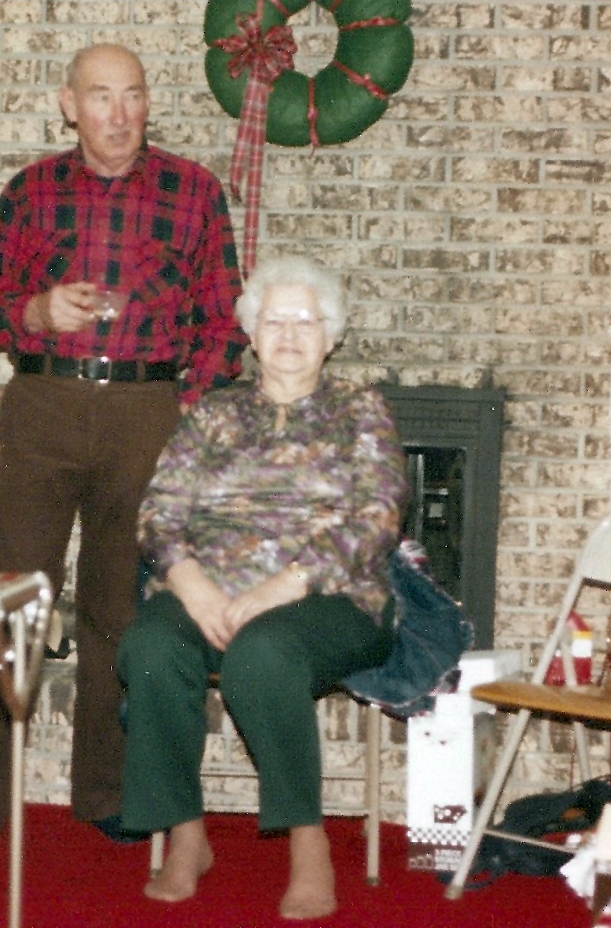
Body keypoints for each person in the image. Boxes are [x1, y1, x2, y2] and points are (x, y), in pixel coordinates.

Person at [0, 43, 246, 858]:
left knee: (117, 612)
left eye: (132, 95)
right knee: (10, 602)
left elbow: (223, 326)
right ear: (69, 104)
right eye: (100, 97)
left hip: (146, 409)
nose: (119, 114)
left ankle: (104, 790)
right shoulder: (31, 191)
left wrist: (182, 407)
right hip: (44, 404)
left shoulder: (194, 191)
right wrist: (37, 312)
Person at [118, 256, 408, 920]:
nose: (288, 334)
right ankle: (185, 835)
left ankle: (308, 843)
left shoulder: (359, 409)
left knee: (263, 653)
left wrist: (279, 588)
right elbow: (160, 511)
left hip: (329, 598)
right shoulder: (213, 415)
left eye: (305, 320)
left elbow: (378, 516)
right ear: (250, 333)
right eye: (273, 320)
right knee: (150, 647)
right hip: (211, 591)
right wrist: (189, 586)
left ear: (331, 335)